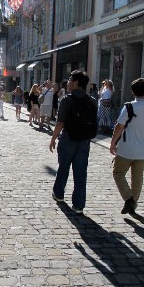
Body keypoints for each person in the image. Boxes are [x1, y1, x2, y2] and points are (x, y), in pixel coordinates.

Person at [110, 78, 144, 214]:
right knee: (137, 177)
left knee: (118, 173)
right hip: (143, 149)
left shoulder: (129, 107)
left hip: (126, 148)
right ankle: (133, 203)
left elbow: (119, 126)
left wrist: (113, 142)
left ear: (132, 92)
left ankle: (129, 200)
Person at [49, 70, 98, 214]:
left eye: (70, 80)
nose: (68, 82)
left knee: (63, 167)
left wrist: (53, 139)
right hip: (84, 140)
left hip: (69, 138)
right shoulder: (92, 101)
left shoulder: (67, 100)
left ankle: (58, 194)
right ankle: (78, 205)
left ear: (76, 82)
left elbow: (60, 122)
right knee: (81, 172)